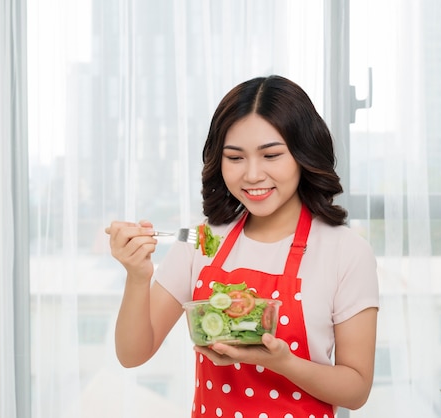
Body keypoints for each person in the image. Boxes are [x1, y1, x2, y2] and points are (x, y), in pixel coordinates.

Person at [105, 75, 379, 417]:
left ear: (303, 154)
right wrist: (137, 275)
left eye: (271, 155)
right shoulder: (204, 241)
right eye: (235, 158)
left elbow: (356, 390)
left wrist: (284, 363)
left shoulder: (345, 251)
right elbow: (133, 354)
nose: (252, 175)